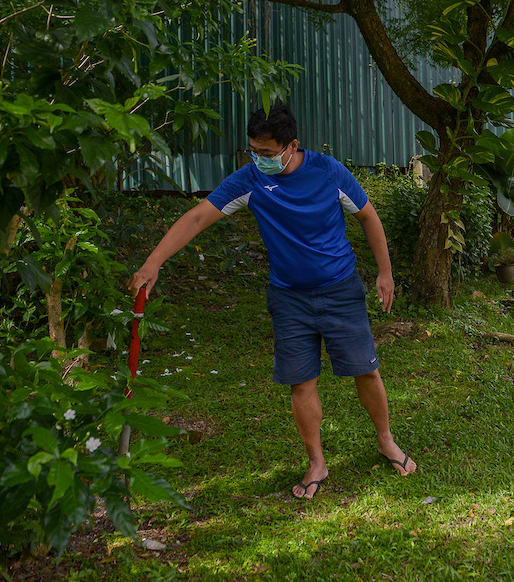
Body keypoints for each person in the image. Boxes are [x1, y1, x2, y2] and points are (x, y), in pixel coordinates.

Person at [127, 103, 417, 499]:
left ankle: (385, 440)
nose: (258, 159)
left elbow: (368, 215)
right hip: (288, 298)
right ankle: (316, 461)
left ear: (291, 145)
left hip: (340, 289)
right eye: (253, 151)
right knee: (301, 382)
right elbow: (196, 218)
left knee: (366, 372)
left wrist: (385, 272)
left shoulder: (328, 172)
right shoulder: (250, 179)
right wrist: (152, 263)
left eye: (266, 152)